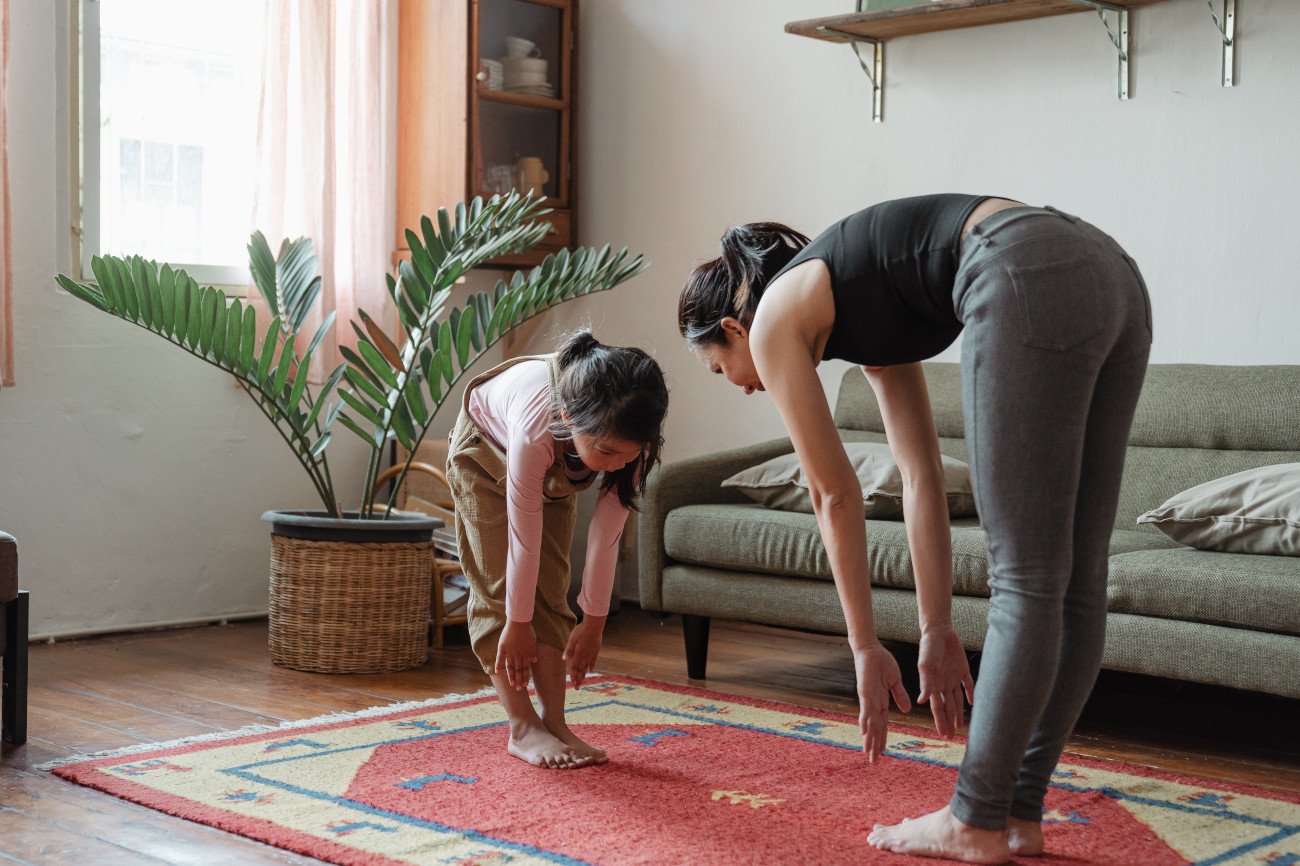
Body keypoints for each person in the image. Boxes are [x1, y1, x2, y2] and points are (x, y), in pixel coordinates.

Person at [678, 195, 1151, 863]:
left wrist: (865, 646)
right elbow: (919, 476)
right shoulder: (868, 306)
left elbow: (833, 493)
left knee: (1026, 576)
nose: (743, 384)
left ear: (733, 327)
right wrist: (935, 630)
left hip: (1023, 265)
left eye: (721, 370)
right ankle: (1017, 814)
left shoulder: (774, 319)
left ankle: (975, 818)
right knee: (1075, 579)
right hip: (1112, 274)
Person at [446, 329, 669, 770]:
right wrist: (516, 622)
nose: (619, 463)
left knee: (551, 588)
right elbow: (522, 541)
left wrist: (594, 622)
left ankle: (555, 721)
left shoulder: (631, 443)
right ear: (569, 416)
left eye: (630, 454)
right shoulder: (535, 427)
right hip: (485, 455)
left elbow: (606, 537)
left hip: (554, 463)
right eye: (606, 451)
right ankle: (522, 727)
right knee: (500, 588)